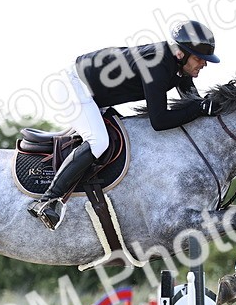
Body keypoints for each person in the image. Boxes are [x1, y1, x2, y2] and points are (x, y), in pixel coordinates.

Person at [27, 20, 222, 229]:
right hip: (73, 86)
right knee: (99, 142)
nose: (204, 64)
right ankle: (46, 200)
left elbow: (195, 103)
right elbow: (160, 120)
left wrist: (215, 102)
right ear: (181, 54)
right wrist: (201, 108)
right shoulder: (156, 65)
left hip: (94, 94)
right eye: (199, 58)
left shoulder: (176, 67)